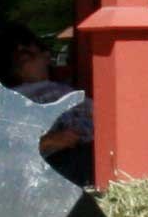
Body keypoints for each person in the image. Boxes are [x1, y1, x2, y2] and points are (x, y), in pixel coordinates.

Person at [9, 29, 94, 187]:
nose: (21, 54)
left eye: (27, 52)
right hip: (46, 166)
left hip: (86, 154)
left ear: (46, 56)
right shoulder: (9, 98)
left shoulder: (68, 91)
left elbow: (106, 122)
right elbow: (4, 145)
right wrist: (48, 141)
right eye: (17, 55)